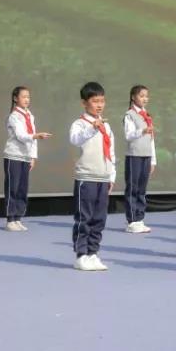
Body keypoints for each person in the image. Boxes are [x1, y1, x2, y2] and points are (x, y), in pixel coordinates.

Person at [69, 82, 117, 270]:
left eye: (102, 101)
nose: (99, 105)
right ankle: (81, 255)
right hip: (86, 177)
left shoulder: (106, 126)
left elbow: (111, 152)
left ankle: (93, 253)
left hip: (103, 177)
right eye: (95, 101)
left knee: (99, 219)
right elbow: (75, 140)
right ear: (84, 103)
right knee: (84, 217)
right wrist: (92, 128)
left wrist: (111, 175)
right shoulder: (79, 124)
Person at [4, 86, 52, 231]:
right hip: (13, 155)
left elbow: (33, 138)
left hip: (25, 157)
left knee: (22, 189)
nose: (27, 99)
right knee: (12, 188)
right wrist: (36, 136)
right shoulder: (14, 116)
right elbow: (21, 135)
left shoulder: (30, 115)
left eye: (28, 97)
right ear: (15, 98)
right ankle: (10, 220)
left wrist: (33, 157)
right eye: (23, 97)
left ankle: (18, 218)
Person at [123, 85, 156, 233]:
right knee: (133, 188)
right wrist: (142, 130)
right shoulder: (129, 115)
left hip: (146, 155)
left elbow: (151, 139)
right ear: (133, 97)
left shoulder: (147, 115)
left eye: (146, 96)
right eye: (141, 96)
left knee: (142, 189)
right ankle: (132, 220)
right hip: (134, 156)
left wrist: (153, 160)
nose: (145, 99)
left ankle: (139, 218)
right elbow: (128, 135)